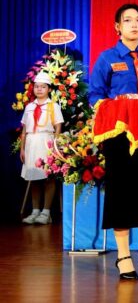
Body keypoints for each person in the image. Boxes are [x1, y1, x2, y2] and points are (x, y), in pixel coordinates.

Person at [89, 3, 138, 281]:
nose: (134, 24)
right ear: (117, 27)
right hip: (119, 136)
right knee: (120, 193)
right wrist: (117, 108)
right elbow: (95, 97)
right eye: (128, 20)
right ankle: (123, 256)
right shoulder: (107, 59)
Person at [19, 72, 62, 225]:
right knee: (33, 178)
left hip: (46, 142)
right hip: (31, 143)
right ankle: (35, 211)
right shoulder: (29, 107)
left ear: (49, 89)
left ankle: (46, 212)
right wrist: (22, 149)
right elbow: (24, 130)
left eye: (43, 87)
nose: (39, 89)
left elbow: (58, 127)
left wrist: (55, 146)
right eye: (37, 87)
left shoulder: (53, 106)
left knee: (48, 178)